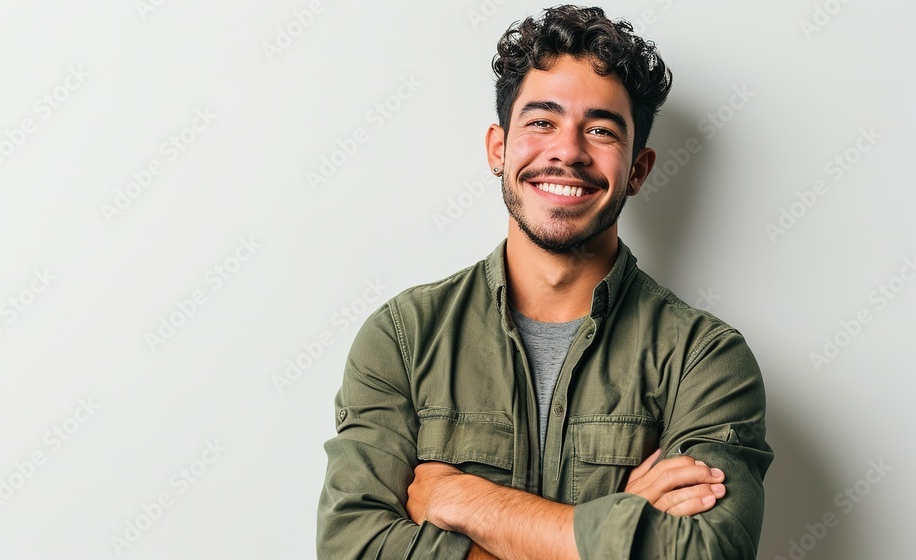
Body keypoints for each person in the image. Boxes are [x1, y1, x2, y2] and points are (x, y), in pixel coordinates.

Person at [317, 5, 773, 559]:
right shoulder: (404, 338)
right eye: (540, 121)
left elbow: (707, 554)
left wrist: (465, 500)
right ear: (498, 148)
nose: (568, 150)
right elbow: (351, 548)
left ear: (638, 168)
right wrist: (609, 531)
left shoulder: (705, 360)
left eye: (601, 129)